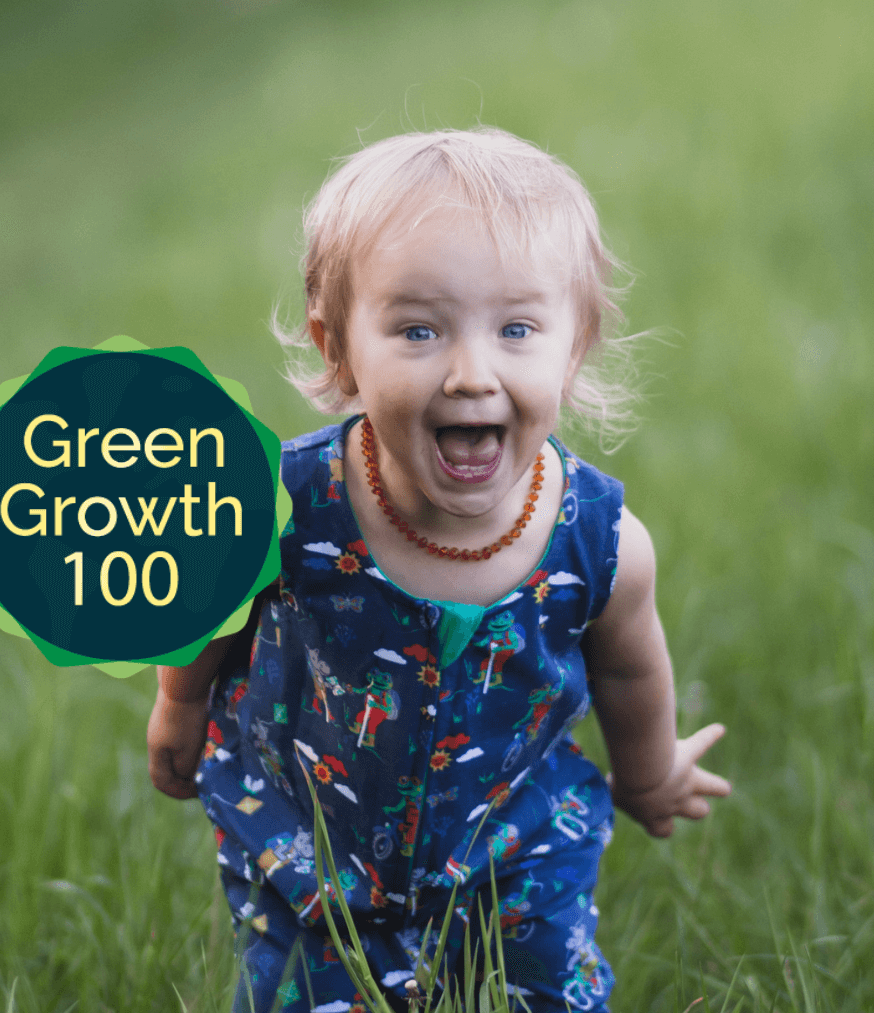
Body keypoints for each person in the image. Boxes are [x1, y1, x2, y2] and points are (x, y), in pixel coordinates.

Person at [146, 127, 731, 1012]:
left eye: (518, 328)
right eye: (417, 328)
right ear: (338, 345)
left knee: (542, 996)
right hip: (311, 844)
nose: (470, 373)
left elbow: (628, 666)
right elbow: (209, 606)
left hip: (518, 847)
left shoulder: (601, 543)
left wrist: (647, 775)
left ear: (572, 349)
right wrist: (179, 704)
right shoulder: (278, 506)